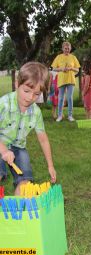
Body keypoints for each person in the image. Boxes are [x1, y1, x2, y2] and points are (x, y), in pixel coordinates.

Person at [0, 62, 57, 195]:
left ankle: (18, 213)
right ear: (17, 84)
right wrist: (3, 151)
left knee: (25, 184)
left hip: (18, 148)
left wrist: (50, 165)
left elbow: (43, 139)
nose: (30, 97)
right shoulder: (3, 104)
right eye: (26, 91)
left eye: (36, 94)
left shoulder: (36, 112)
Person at [51, 41, 80, 122]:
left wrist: (71, 68)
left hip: (71, 80)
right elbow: (54, 68)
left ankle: (70, 116)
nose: (67, 50)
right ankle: (59, 115)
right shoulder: (58, 57)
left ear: (70, 49)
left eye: (68, 48)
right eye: (65, 48)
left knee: (70, 98)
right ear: (62, 48)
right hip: (61, 80)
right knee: (60, 99)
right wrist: (61, 69)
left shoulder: (73, 57)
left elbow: (77, 70)